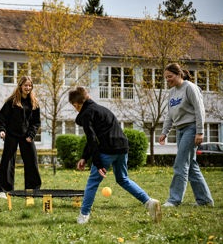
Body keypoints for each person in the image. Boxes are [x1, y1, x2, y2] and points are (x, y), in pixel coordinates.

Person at [68, 86, 162, 224]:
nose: (75, 108)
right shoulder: (103, 110)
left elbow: (91, 139)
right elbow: (93, 137)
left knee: (92, 182)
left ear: (76, 104)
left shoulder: (87, 113)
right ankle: (149, 202)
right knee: (123, 179)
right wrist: (84, 157)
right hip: (122, 147)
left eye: (74, 106)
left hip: (108, 150)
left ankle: (83, 215)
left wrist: (98, 163)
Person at [159, 63, 214, 207]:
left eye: (170, 76)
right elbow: (169, 115)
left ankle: (174, 199)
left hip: (191, 129)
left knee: (181, 163)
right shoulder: (171, 93)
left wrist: (200, 131)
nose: (168, 80)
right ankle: (205, 200)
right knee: (191, 165)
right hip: (180, 130)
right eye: (166, 78)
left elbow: (199, 110)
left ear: (179, 75)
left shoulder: (190, 87)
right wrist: (165, 132)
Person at [0, 76, 42, 199]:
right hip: (11, 135)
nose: (28, 88)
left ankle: (32, 189)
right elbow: (2, 118)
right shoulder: (12, 101)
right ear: (20, 86)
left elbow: (36, 122)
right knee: (7, 161)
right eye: (25, 85)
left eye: (30, 86)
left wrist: (31, 135)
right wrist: (2, 130)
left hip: (26, 136)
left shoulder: (34, 103)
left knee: (32, 160)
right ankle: (3, 190)